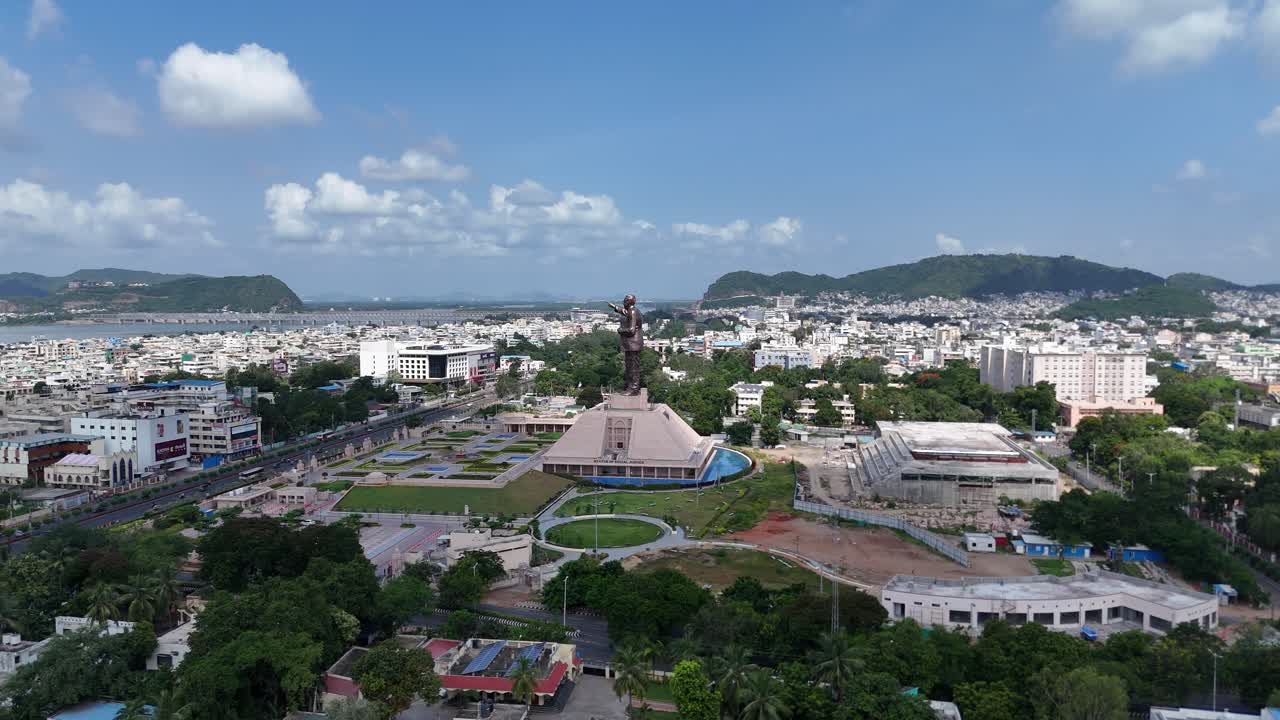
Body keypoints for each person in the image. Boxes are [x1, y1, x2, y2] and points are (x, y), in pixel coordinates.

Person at [606, 294, 645, 395]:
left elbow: (631, 330)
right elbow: (624, 312)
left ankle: (634, 388)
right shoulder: (631, 310)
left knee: (633, 367)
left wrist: (621, 330)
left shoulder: (633, 311)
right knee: (629, 366)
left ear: (629, 302)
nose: (623, 302)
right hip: (631, 344)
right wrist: (614, 307)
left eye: (625, 300)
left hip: (633, 343)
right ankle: (630, 386)